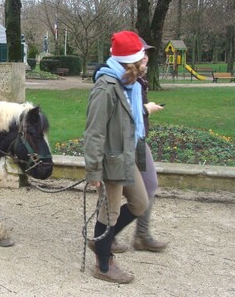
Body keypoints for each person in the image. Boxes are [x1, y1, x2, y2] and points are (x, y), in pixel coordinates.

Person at [84, 30, 150, 284]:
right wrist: (93, 171)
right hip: (110, 160)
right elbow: (94, 132)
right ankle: (103, 264)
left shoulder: (129, 84)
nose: (145, 62)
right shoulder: (106, 87)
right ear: (129, 62)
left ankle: (102, 243)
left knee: (140, 203)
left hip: (126, 156)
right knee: (108, 213)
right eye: (141, 58)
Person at [132, 39, 168, 252]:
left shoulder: (138, 79)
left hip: (138, 139)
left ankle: (141, 235)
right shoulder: (126, 80)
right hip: (127, 141)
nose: (145, 55)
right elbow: (122, 112)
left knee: (149, 184)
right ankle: (108, 236)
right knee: (113, 190)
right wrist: (146, 109)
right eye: (141, 51)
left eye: (147, 52)